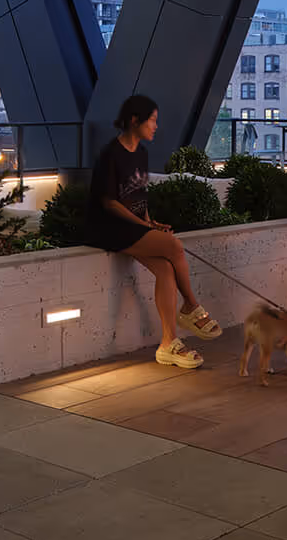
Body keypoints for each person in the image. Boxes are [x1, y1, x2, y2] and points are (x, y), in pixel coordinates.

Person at [86, 94, 223, 369]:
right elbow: (110, 202)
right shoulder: (110, 154)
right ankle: (191, 306)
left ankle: (168, 344)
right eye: (152, 120)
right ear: (134, 120)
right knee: (173, 246)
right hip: (109, 228)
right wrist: (144, 226)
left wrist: (150, 221)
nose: (156, 126)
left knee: (166, 270)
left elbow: (138, 196)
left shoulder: (141, 153)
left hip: (134, 227)